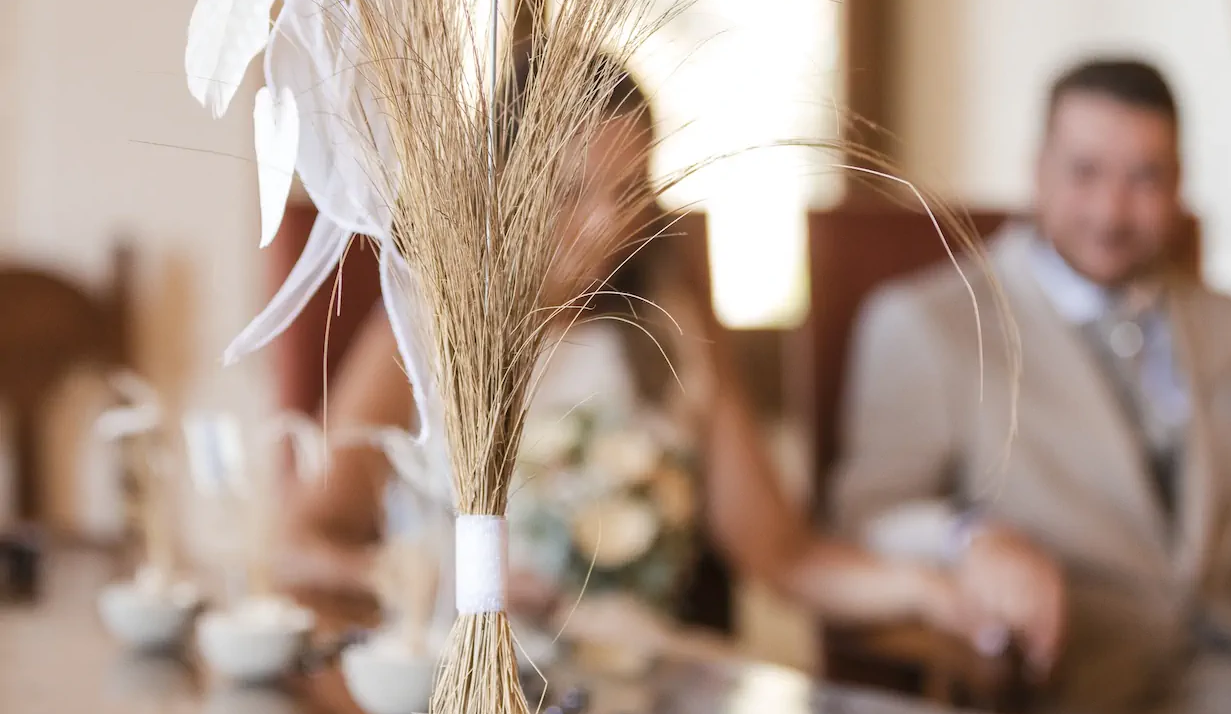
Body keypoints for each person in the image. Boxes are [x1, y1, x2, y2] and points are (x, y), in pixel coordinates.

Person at [281, 66, 993, 641]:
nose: (605, 224)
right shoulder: (425, 330)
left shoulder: (671, 334)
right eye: (569, 192)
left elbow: (782, 553)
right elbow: (298, 544)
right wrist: (445, 582)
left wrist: (923, 589)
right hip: (461, 697)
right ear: (498, 184)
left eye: (627, 193)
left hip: (637, 698)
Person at [831, 57, 1231, 714]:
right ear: (1038, 172)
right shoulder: (930, 326)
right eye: (1084, 172)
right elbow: (867, 520)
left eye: (1144, 177)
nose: (1111, 212)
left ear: (1178, 184)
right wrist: (971, 540)